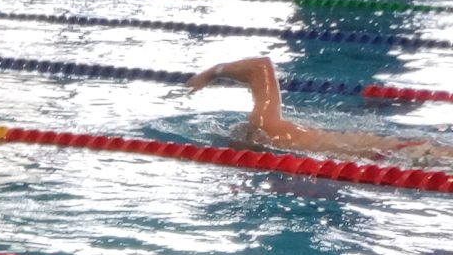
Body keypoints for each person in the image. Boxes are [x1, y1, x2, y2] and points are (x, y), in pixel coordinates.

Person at [189, 56, 453, 166]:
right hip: (399, 151)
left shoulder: (268, 127)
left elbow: (260, 66)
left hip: (402, 153)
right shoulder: (289, 136)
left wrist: (211, 72)